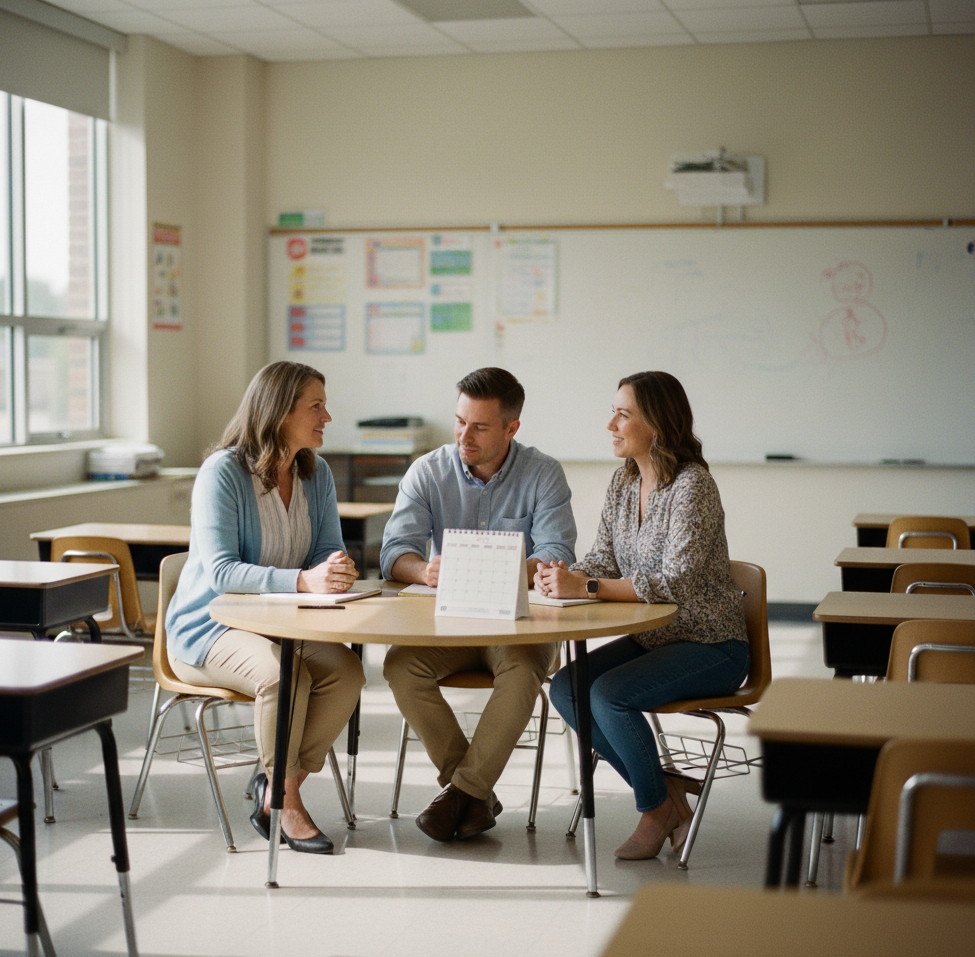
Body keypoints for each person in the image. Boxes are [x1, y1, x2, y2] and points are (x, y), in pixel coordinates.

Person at [535, 371, 749, 860]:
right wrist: (564, 575)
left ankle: (653, 809)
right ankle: (668, 796)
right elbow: (605, 558)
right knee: (567, 687)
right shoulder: (623, 480)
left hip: (711, 644)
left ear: (656, 423)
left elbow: (675, 580)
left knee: (609, 695)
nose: (610, 423)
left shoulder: (694, 487)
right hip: (656, 638)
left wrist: (586, 587)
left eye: (623, 413)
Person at [166, 361, 365, 854]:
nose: (328, 417)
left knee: (348, 673)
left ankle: (279, 783)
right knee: (284, 676)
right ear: (278, 412)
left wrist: (335, 568)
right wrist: (303, 579)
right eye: (315, 406)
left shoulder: (314, 474)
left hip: (280, 625)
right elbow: (220, 572)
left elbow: (326, 548)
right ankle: (283, 799)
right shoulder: (223, 473)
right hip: (209, 626)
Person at [381, 367, 577, 842]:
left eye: (480, 427)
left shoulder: (543, 472)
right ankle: (473, 795)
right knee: (400, 666)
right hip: (447, 624)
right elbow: (394, 553)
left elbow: (558, 554)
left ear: (512, 428)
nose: (464, 436)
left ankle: (461, 792)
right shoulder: (428, 471)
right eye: (459, 422)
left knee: (525, 665)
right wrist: (422, 570)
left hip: (517, 626)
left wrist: (495, 569)